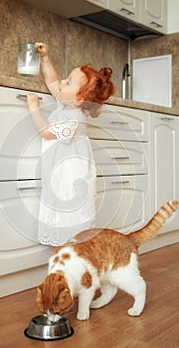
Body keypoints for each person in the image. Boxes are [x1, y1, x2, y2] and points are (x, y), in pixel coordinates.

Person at [27, 42, 115, 246]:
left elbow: (47, 133)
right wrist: (45, 58)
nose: (62, 82)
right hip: (60, 171)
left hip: (71, 177)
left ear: (78, 99)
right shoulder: (68, 103)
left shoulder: (75, 118)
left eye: (68, 82)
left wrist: (33, 108)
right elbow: (52, 82)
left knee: (70, 216)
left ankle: (75, 259)